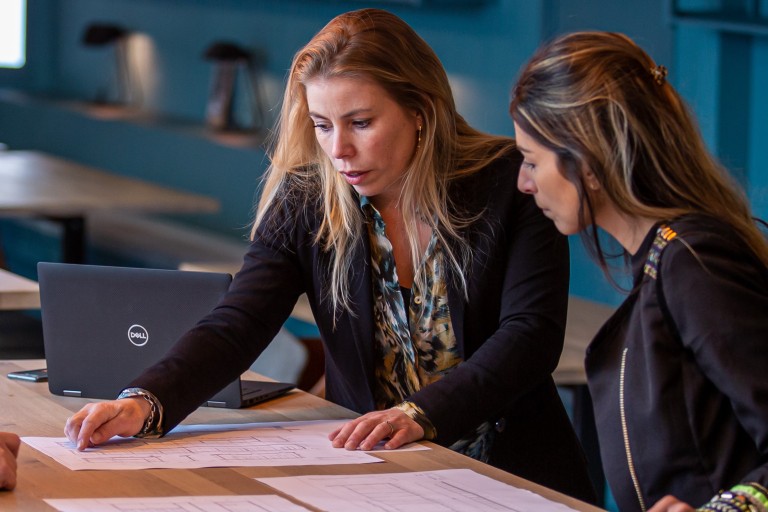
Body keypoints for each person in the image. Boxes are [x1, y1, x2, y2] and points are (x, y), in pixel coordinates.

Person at [64, 8, 595, 502]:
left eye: (361, 123)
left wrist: (420, 413)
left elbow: (530, 336)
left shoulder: (510, 182)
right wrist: (146, 401)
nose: (338, 148)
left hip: (512, 479)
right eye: (322, 125)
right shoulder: (306, 200)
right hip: (376, 480)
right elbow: (239, 321)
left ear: (421, 111)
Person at [510, 31, 768, 512]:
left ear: (587, 161)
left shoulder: (696, 263)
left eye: (531, 161)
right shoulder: (663, 257)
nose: (524, 183)